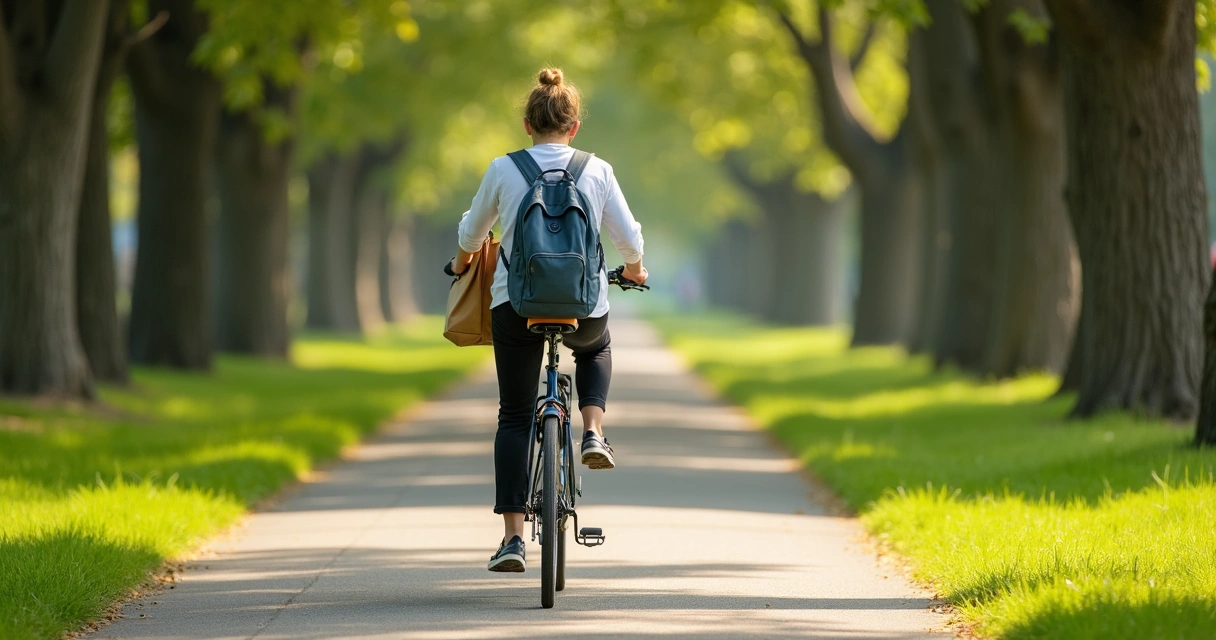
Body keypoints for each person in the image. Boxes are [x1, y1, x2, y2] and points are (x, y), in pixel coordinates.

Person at [451, 67, 647, 573]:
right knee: (597, 347)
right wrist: (634, 269)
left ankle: (513, 538)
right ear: (574, 126)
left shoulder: (503, 168)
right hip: (583, 309)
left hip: (515, 307)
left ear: (526, 124)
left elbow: (473, 234)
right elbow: (628, 237)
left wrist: (461, 262)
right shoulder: (597, 169)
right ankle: (593, 431)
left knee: (514, 415)